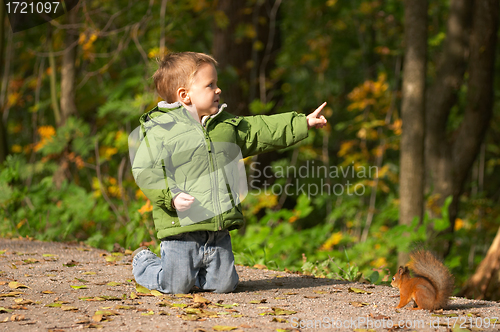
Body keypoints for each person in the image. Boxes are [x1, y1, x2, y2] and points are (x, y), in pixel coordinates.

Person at [129, 52, 327, 294]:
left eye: (216, 83)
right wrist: (170, 196)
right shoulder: (162, 129)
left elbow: (260, 130)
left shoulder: (225, 126)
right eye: (210, 85)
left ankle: (199, 274)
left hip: (216, 230)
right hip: (180, 230)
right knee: (176, 286)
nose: (218, 89)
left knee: (224, 286)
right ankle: (145, 263)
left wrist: (301, 123)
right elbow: (144, 171)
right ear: (185, 95)